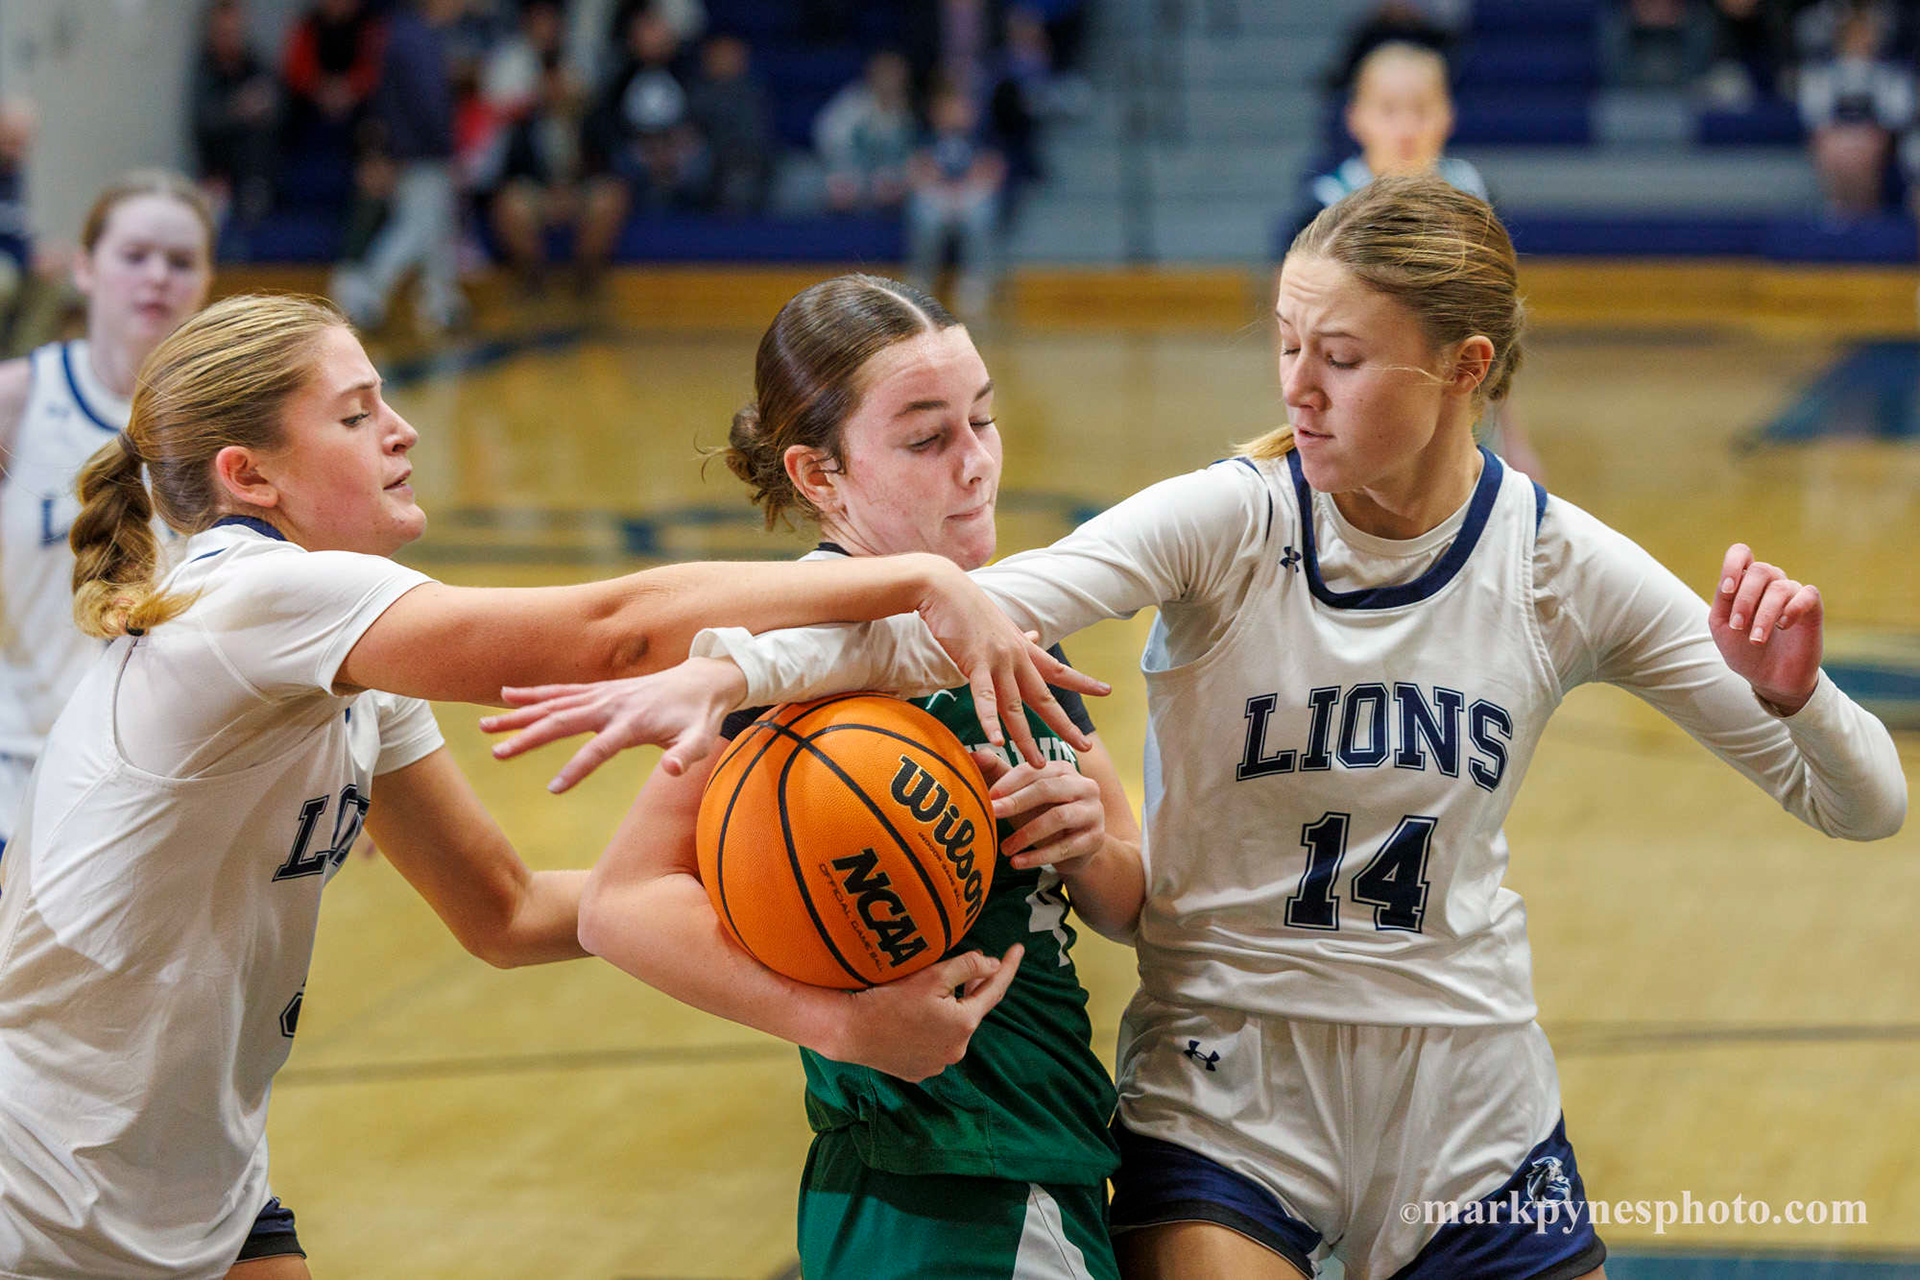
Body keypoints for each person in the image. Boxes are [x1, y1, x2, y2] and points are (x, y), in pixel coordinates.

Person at [492, 175, 1908, 1280]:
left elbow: (1865, 807)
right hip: (1179, 1101)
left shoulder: (1559, 565)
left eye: (1340, 356)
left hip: (1457, 1090)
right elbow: (941, 624)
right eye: (1287, 344)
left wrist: (1793, 695)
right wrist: (737, 670)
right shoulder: (1221, 519)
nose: (1294, 386)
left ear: (1464, 371)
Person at [0, 292, 1098, 1280]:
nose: (403, 427)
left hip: (199, 1174)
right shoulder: (247, 600)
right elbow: (608, 636)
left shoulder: (356, 671)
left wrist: (799, 882)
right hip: (40, 1178)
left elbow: (507, 911)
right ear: (252, 475)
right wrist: (918, 579)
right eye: (355, 413)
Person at [492, 274, 1144, 1279]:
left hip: (1032, 1149)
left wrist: (1089, 843)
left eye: (984, 419)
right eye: (928, 439)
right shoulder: (796, 647)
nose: (975, 464)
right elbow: (618, 903)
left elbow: (1128, 892)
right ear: (821, 473)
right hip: (954, 1168)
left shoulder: (1001, 619)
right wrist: (841, 1021)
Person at [0, 171, 216, 859]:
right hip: (18, 774)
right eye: (135, 255)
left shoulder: (231, 437)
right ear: (86, 269)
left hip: (159, 791)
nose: (157, 277)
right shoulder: (17, 404)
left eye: (180, 262)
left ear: (206, 282)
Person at [1308, 42, 1545, 483]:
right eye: (1389, 110)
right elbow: (1297, 333)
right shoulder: (1328, 205)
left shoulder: (1470, 194)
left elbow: (1493, 330)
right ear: (1356, 117)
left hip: (1461, 414)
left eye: (1421, 110)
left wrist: (1517, 442)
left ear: (1447, 115)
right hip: (1362, 415)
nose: (1406, 127)